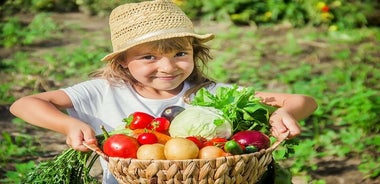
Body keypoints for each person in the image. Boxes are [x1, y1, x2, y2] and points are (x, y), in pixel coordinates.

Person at [10, 0, 318, 183]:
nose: (168, 67)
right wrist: (69, 124)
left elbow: (302, 100)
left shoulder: (210, 94)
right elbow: (24, 103)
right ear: (123, 62)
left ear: (194, 53)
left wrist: (285, 112)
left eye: (180, 54)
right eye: (149, 57)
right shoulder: (103, 91)